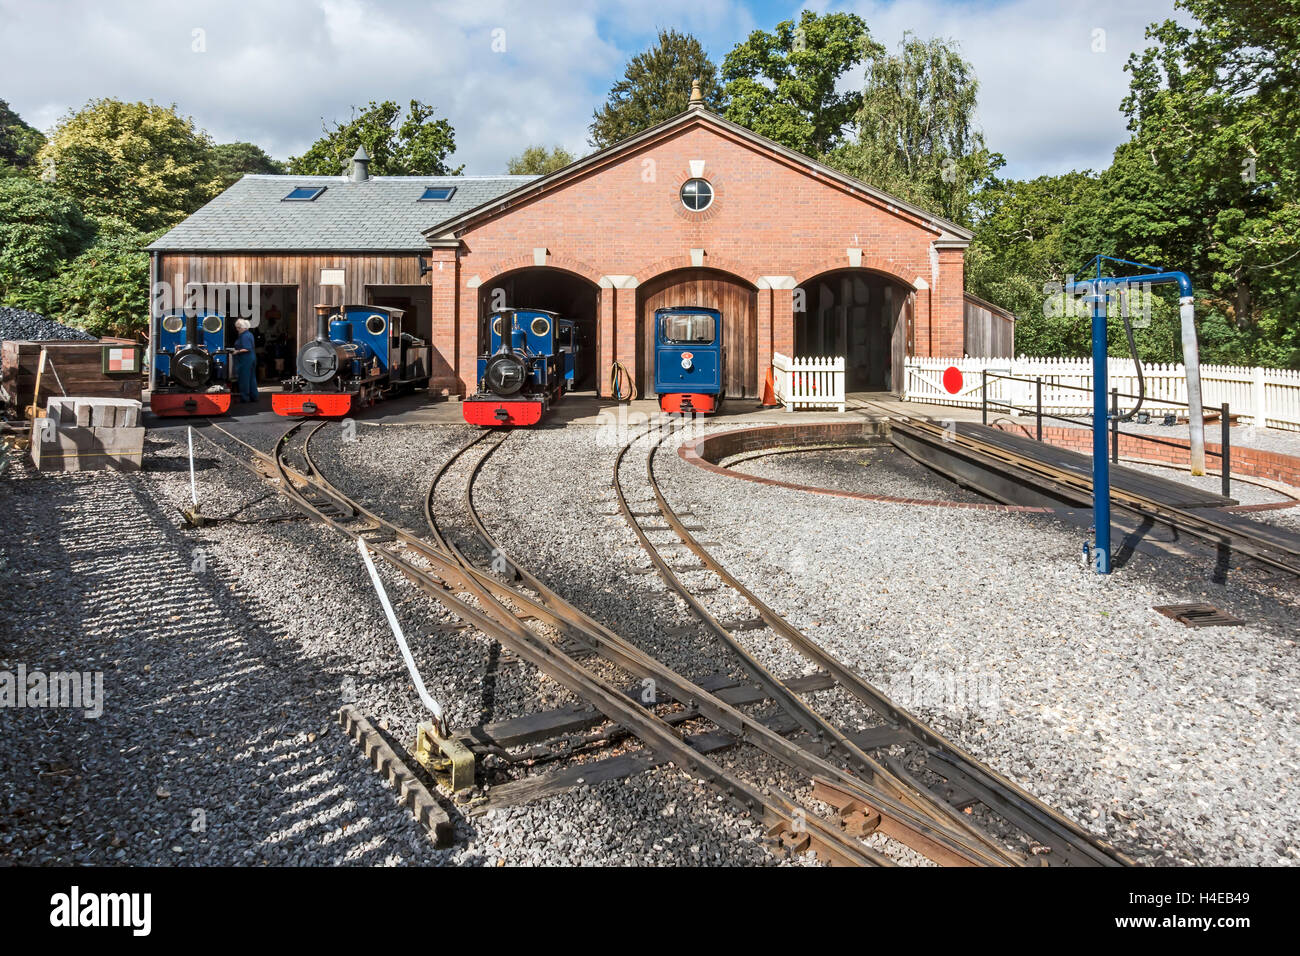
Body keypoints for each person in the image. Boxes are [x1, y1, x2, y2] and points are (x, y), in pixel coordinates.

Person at [232, 318, 259, 403]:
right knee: (251, 378)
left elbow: (247, 348)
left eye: (238, 328)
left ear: (243, 328)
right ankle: (254, 396)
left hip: (245, 359)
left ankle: (245, 397)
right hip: (251, 358)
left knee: (244, 379)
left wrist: (237, 351)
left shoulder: (244, 336)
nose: (237, 330)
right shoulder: (249, 334)